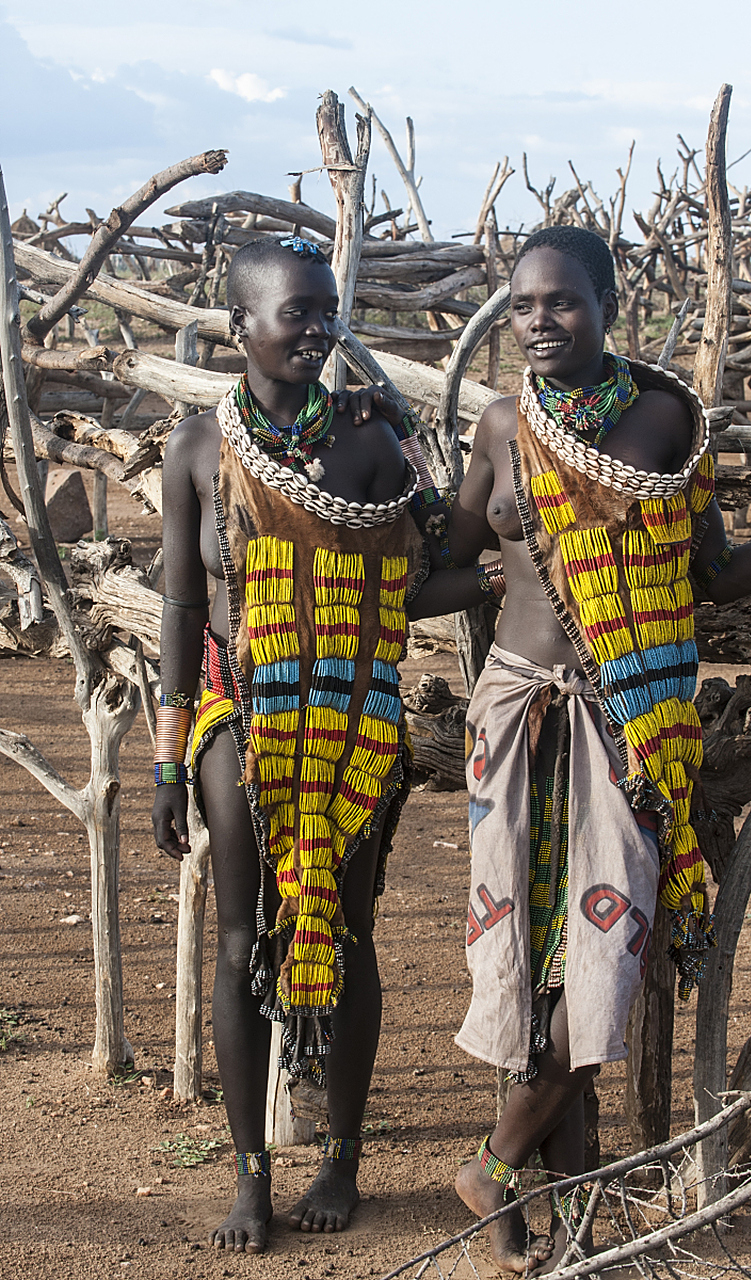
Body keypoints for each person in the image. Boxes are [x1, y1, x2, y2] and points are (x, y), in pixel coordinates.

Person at [445, 224, 751, 1275]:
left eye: (562, 301)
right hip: (515, 716)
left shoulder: (668, 418)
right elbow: (443, 561)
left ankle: (493, 1167)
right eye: (523, 304)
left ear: (609, 305)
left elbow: (714, 572)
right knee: (524, 964)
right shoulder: (502, 424)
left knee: (601, 964)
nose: (539, 321)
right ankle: (540, 1212)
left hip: (631, 723)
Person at [151, 236, 494, 1255]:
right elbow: (182, 605)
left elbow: (428, 565)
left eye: (325, 309)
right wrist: (167, 756)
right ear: (240, 326)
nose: (315, 329)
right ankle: (250, 1174)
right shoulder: (197, 447)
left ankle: (341, 1158)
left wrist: (418, 453)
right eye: (293, 311)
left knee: (347, 928)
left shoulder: (370, 440)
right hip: (240, 710)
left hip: (352, 717)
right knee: (240, 934)